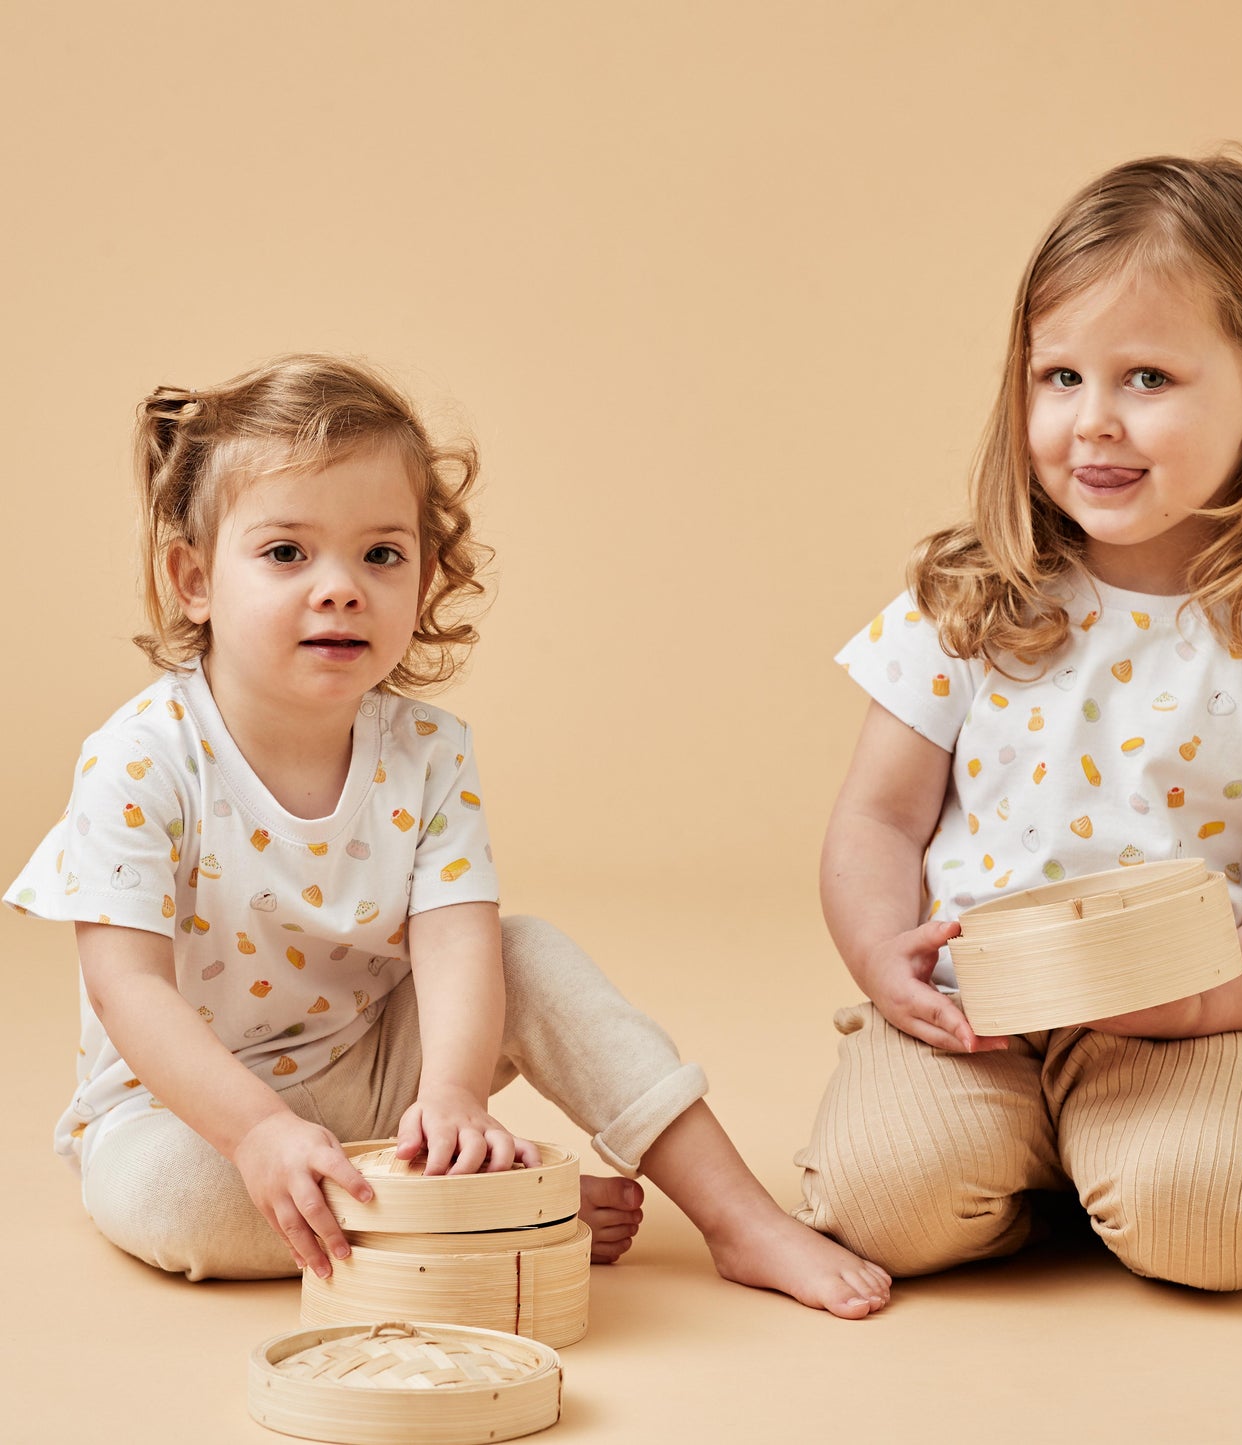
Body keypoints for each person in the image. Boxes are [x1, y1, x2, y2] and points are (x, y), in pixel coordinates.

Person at [6, 354, 889, 1318]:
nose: (339, 588)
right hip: (184, 1110)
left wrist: (457, 1095)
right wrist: (257, 1131)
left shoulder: (424, 751)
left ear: (426, 575)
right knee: (177, 1203)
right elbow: (128, 987)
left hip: (375, 1072)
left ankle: (740, 1218)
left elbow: (458, 933)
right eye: (286, 553)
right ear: (194, 579)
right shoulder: (139, 760)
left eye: (381, 554)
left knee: (530, 952)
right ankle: (497, 1216)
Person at [791, 152, 1242, 1291]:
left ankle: (1127, 1156)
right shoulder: (972, 598)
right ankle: (1033, 1162)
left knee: (1212, 1229)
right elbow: (875, 824)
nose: (1092, 423)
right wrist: (881, 957)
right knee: (879, 1203)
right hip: (971, 1006)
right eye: (1059, 376)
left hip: (1181, 1024)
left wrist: (1198, 999)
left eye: (1145, 379)